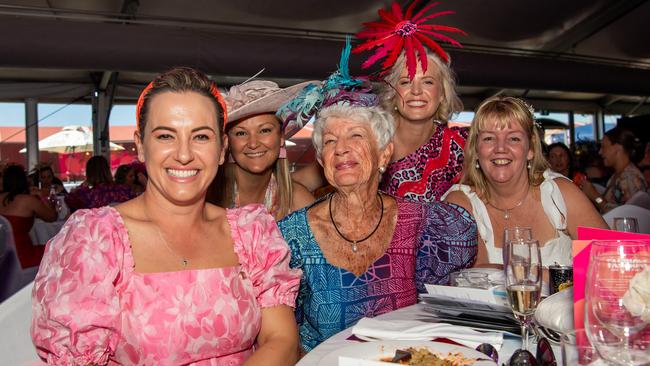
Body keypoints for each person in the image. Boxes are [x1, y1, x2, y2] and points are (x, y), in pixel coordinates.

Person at [32, 67, 301, 365]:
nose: (184, 154)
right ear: (141, 146)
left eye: (200, 136)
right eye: (165, 136)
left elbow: (281, 340)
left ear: (222, 149)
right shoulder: (95, 241)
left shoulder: (252, 233)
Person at [277, 41, 477, 352]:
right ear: (320, 160)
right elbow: (282, 337)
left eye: (355, 136)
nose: (341, 148)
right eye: (329, 141)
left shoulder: (427, 228)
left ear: (385, 154)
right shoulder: (291, 236)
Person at [444, 96, 607, 267]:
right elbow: (475, 276)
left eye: (514, 138)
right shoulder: (461, 204)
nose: (500, 148)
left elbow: (612, 263)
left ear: (530, 149)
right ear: (475, 150)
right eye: (489, 138)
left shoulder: (559, 194)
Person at [208, 80, 315, 220]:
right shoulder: (208, 197)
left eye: (264, 130)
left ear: (281, 137)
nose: (253, 143)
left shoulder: (298, 202)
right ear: (228, 142)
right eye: (241, 133)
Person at [0, 164, 57, 268]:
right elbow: (52, 217)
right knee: (58, 251)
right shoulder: (28, 200)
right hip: (21, 256)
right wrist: (41, 196)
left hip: (3, 256)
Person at [580, 126, 648, 212]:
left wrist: (595, 196)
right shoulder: (618, 174)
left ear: (617, 148)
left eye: (603, 147)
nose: (600, 152)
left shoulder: (630, 177)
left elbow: (627, 215)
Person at [64, 155, 136, 211]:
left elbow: (68, 200)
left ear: (89, 173)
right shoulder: (123, 190)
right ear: (107, 170)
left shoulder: (87, 195)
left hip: (96, 229)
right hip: (121, 227)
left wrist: (82, 185)